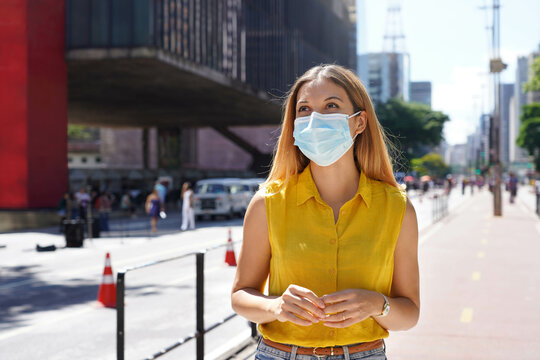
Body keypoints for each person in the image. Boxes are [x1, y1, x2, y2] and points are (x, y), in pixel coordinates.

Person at [231, 64, 419, 359]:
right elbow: (241, 295)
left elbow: (409, 313)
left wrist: (377, 304)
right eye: (304, 109)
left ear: (359, 122)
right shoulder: (267, 203)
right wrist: (275, 306)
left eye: (331, 105)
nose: (315, 119)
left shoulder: (398, 208)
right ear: (294, 125)